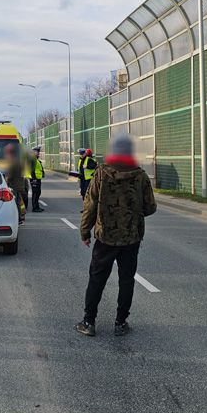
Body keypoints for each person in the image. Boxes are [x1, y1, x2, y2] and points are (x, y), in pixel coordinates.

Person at [77, 136, 157, 337]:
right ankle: (120, 322)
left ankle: (89, 322)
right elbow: (150, 207)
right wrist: (132, 214)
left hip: (105, 237)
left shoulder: (101, 174)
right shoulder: (140, 176)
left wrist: (84, 231)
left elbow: (90, 205)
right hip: (131, 238)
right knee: (126, 280)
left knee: (97, 279)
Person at [2, 144, 25, 223]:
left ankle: (16, 220)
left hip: (14, 187)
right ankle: (19, 218)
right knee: (18, 203)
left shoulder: (12, 164)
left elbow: (9, 177)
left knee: (13, 204)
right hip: (19, 186)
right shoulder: (18, 162)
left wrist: (4, 185)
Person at [29, 146, 45, 212]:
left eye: (39, 151)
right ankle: (35, 208)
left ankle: (37, 207)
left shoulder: (36, 159)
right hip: (35, 179)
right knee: (35, 193)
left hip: (37, 178)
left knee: (38, 193)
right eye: (37, 151)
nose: (39, 153)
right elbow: (31, 169)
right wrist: (34, 178)